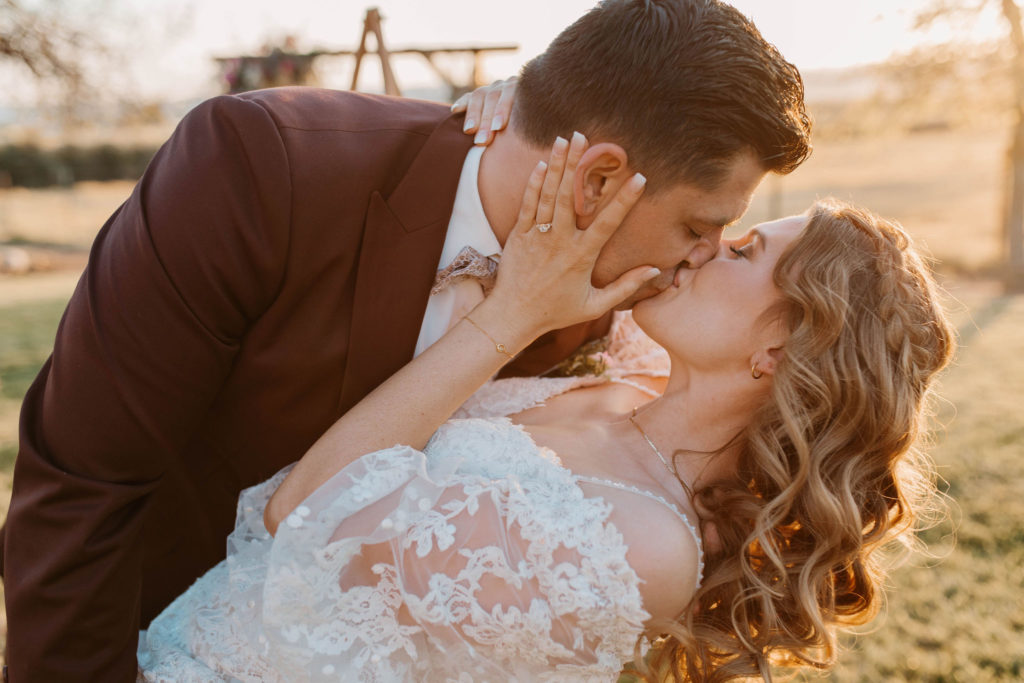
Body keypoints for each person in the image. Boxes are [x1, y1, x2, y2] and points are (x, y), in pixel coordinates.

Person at [1, 1, 812, 680]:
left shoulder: (623, 301)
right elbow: (84, 478)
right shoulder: (257, 170)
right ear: (598, 180)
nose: (696, 257)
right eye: (700, 227)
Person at [135, 135, 954, 682]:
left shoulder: (642, 547)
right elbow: (595, 206)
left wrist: (506, 318)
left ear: (776, 352)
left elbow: (301, 512)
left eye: (740, 250)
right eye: (717, 231)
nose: (703, 246)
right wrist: (515, 124)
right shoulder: (629, 376)